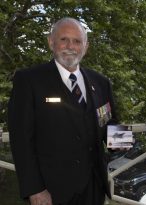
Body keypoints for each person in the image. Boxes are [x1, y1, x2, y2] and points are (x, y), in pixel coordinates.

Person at [8, 17, 116, 205]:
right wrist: (35, 189)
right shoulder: (29, 80)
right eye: (64, 39)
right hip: (52, 190)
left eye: (77, 41)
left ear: (86, 46)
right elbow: (21, 140)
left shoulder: (100, 82)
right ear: (51, 42)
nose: (70, 46)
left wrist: (137, 143)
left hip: (93, 186)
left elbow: (109, 125)